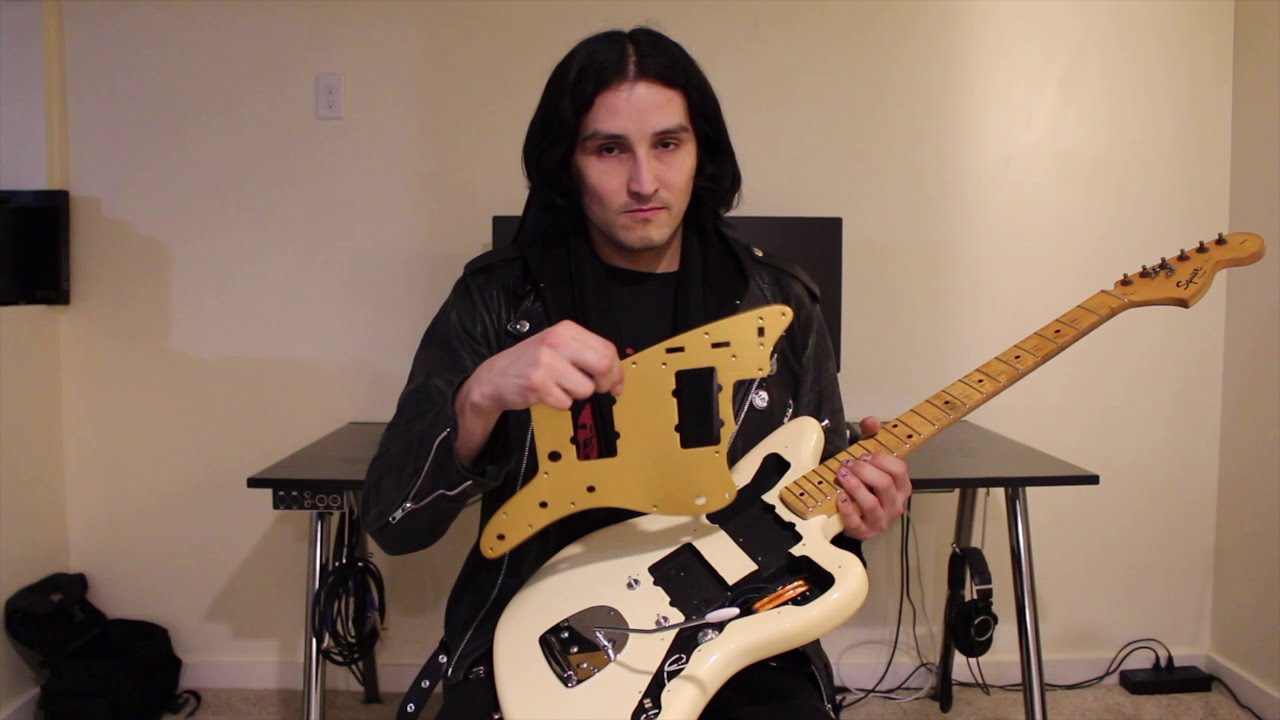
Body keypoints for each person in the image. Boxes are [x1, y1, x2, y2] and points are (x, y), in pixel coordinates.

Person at [361, 26, 912, 720]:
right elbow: (395, 523)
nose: (644, 181)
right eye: (609, 149)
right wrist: (479, 399)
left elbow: (815, 516)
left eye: (668, 144)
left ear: (701, 152)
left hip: (740, 642)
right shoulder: (498, 300)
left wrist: (861, 509)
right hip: (545, 641)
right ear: (566, 163)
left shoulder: (780, 301)